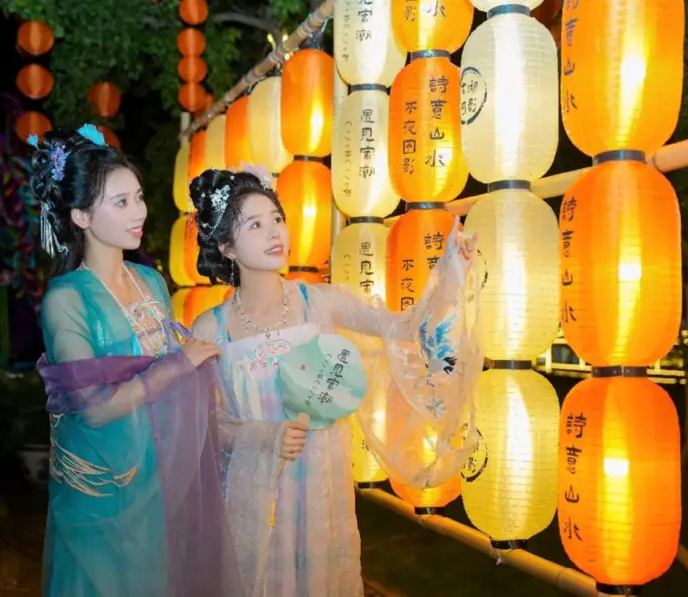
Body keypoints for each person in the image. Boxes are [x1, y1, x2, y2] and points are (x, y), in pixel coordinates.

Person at [190, 167, 481, 597]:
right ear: (226, 246)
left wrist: (451, 270)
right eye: (255, 225)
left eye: (276, 219)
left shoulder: (320, 302)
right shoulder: (211, 329)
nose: (274, 233)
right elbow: (206, 424)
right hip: (255, 507)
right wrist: (263, 435)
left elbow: (403, 328)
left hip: (319, 500)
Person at [31, 125, 241, 597]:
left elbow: (173, 372)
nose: (139, 212)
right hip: (100, 484)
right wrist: (179, 365)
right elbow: (94, 407)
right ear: (81, 216)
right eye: (120, 202)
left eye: (139, 197)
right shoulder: (65, 299)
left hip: (156, 470)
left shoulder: (151, 282)